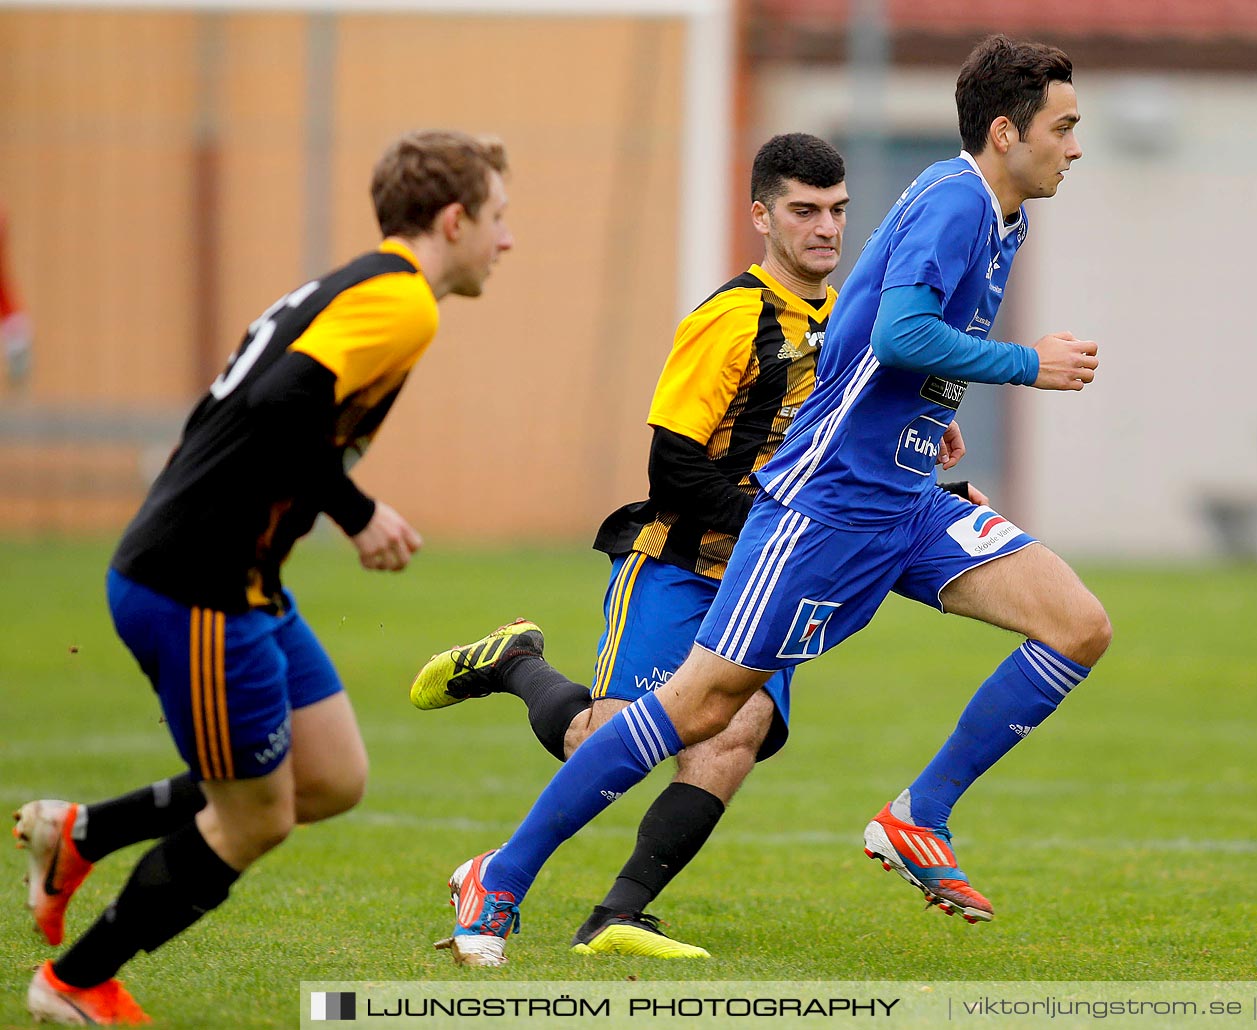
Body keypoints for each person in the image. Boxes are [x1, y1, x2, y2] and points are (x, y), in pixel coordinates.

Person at [441, 34, 1104, 969]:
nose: (1076, 147)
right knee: (702, 710)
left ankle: (919, 816)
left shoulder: (996, 214)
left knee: (1077, 624)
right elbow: (906, 329)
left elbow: (864, 333)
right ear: (1007, 131)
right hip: (825, 510)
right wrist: (1026, 366)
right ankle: (498, 877)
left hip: (907, 501)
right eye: (1064, 127)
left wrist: (928, 415)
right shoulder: (956, 203)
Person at [12, 129, 514, 1025]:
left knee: (330, 778)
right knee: (255, 819)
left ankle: (82, 833)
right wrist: (359, 515)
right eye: (499, 219)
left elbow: (253, 410)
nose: (506, 242)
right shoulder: (404, 305)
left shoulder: (362, 284)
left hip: (236, 577)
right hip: (196, 584)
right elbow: (279, 406)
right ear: (453, 218)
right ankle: (76, 982)